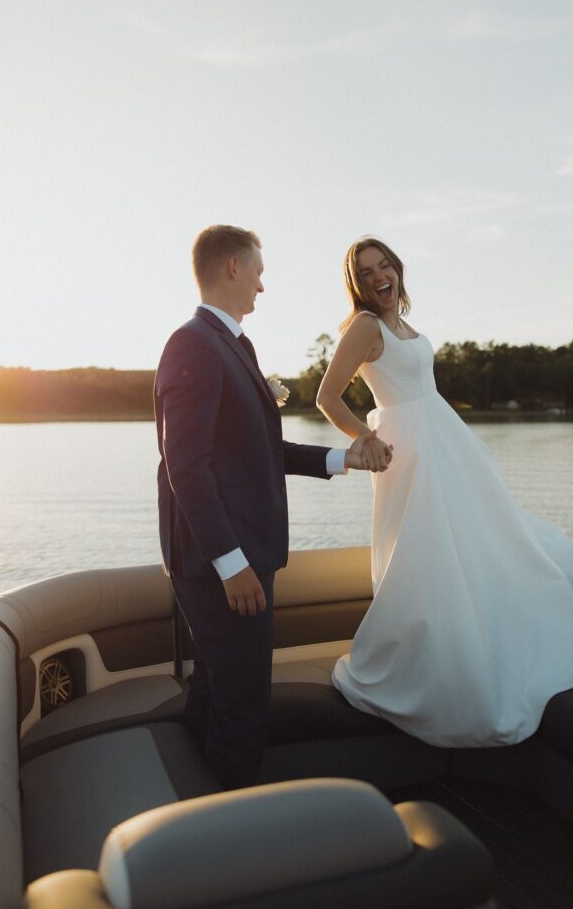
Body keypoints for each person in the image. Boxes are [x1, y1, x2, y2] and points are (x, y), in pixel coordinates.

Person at [316, 237, 573, 746]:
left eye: (385, 266)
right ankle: (428, 670)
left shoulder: (402, 323)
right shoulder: (365, 326)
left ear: (397, 270)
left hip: (443, 443)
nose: (379, 276)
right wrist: (365, 439)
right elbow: (326, 397)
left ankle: (484, 647)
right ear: (357, 285)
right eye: (366, 273)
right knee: (424, 555)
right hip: (410, 452)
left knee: (479, 541)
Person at [154, 224, 390, 790]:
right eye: (258, 270)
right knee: (243, 706)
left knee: (215, 689)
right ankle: (238, 843)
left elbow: (261, 449)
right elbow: (186, 466)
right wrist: (231, 564)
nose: (263, 284)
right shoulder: (192, 343)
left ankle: (192, 801)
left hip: (242, 555)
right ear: (233, 268)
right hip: (225, 565)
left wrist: (342, 458)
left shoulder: (234, 345)